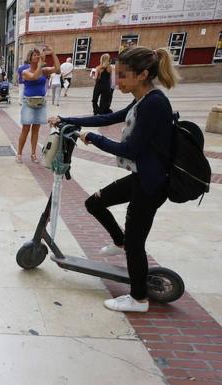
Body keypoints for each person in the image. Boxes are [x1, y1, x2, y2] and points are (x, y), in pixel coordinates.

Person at [48, 47, 179, 313]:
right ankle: (119, 240)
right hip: (142, 177)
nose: (117, 81)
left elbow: (129, 150)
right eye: (117, 75)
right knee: (94, 203)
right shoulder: (142, 99)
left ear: (143, 75)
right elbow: (108, 117)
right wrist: (66, 119)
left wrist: (91, 138)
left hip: (152, 185)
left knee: (135, 244)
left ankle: (139, 299)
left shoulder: (155, 103)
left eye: (123, 76)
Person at [18, 46, 60, 163]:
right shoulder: (25, 72)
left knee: (36, 129)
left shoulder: (44, 70)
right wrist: (41, 63)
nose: (37, 56)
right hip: (28, 102)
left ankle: (33, 154)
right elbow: (35, 76)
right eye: (35, 55)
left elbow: (58, 69)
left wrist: (53, 53)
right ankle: (19, 154)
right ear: (30, 58)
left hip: (40, 103)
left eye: (38, 54)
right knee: (25, 129)